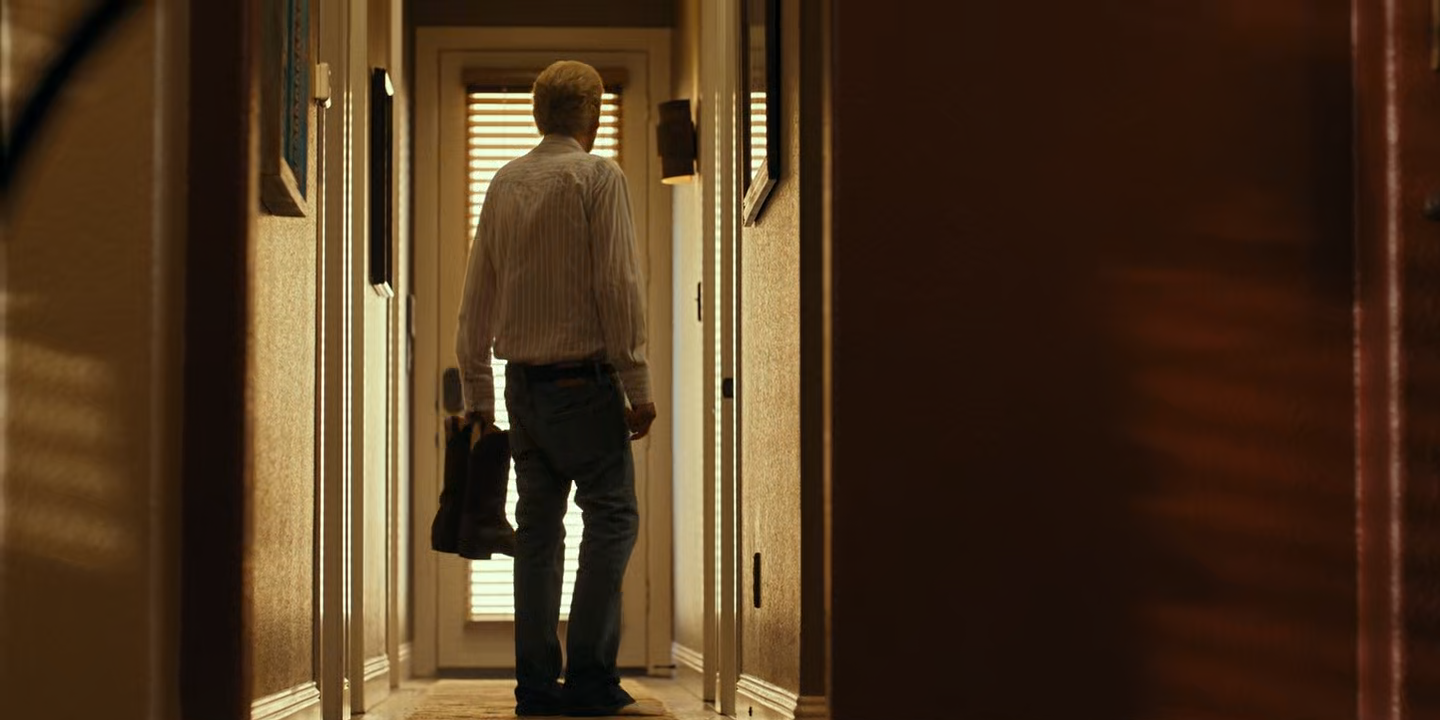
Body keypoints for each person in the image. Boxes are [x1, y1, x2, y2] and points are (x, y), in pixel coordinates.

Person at [455, 59, 658, 718]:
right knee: (613, 518)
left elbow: (476, 299)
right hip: (584, 386)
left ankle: (538, 688)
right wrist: (637, 381)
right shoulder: (597, 176)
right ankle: (592, 680)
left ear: (537, 114)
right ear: (591, 114)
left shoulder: (504, 181)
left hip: (522, 389)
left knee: (539, 532)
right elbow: (617, 284)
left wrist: (480, 400)